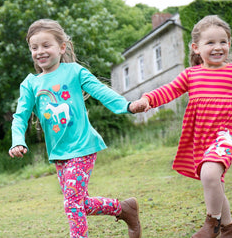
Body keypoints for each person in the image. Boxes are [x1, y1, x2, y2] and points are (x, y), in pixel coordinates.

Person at [131, 15, 232, 238]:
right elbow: (167, 91)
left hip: (228, 136)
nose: (218, 47)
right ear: (196, 48)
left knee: (209, 175)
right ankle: (228, 230)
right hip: (202, 137)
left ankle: (212, 223)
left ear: (229, 44)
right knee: (214, 181)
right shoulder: (191, 75)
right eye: (210, 43)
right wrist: (147, 100)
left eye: (223, 42)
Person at [9, 19, 142, 238]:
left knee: (72, 202)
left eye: (46, 45)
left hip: (83, 145)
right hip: (59, 153)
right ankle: (123, 209)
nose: (40, 52)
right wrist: (18, 141)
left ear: (62, 48)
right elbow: (20, 117)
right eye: (34, 48)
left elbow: (101, 91)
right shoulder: (30, 84)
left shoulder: (74, 72)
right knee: (80, 203)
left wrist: (127, 106)